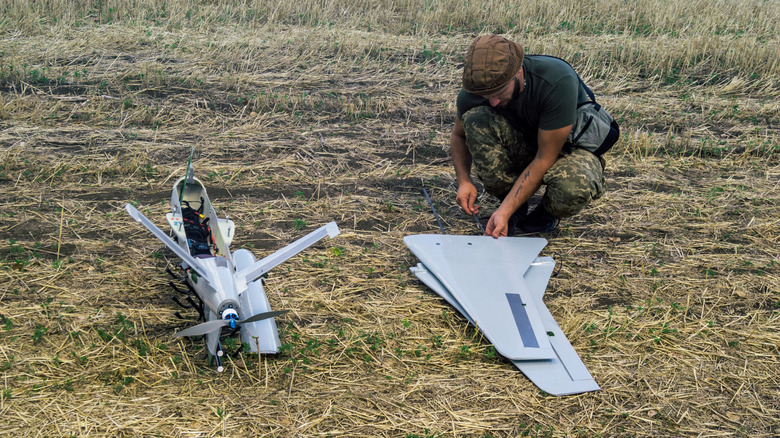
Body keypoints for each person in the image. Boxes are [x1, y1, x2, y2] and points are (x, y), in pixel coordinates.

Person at [450, 34, 615, 238]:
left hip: (563, 148)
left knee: (575, 185)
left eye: (500, 92)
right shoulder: (475, 90)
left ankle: (546, 212)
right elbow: (458, 135)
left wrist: (504, 212)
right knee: (475, 119)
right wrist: (464, 181)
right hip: (524, 143)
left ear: (518, 71)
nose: (493, 102)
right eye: (486, 97)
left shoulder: (556, 80)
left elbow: (545, 157)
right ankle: (513, 203)